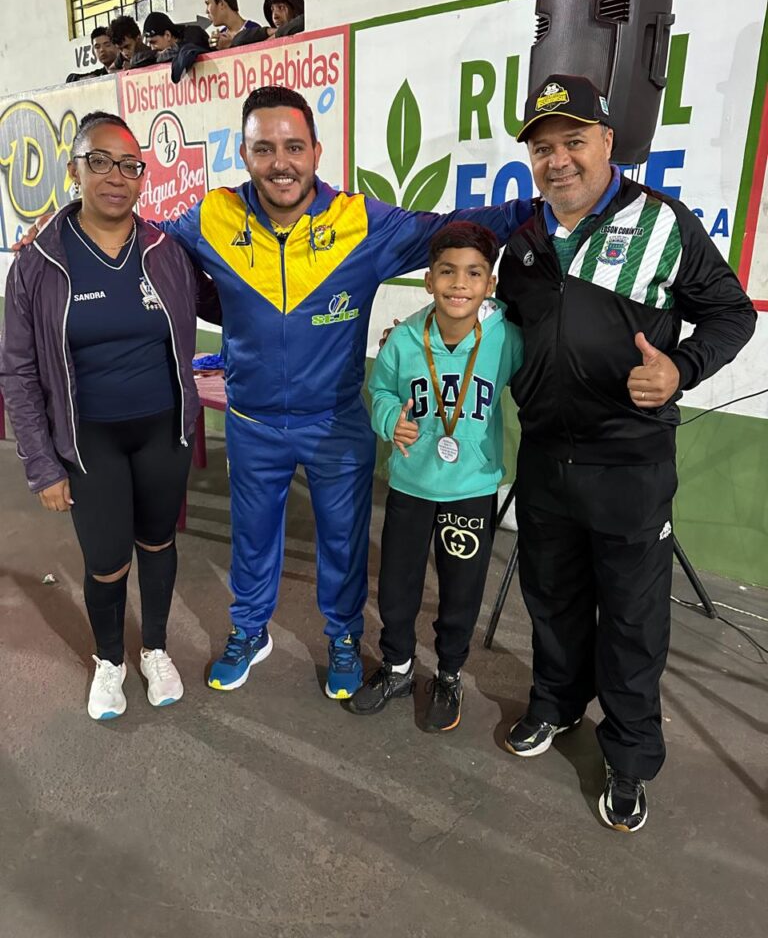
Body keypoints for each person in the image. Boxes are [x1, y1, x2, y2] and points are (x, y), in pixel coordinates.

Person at [145, 85, 531, 699]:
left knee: (345, 542)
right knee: (252, 539)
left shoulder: (358, 221)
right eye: (264, 148)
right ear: (243, 155)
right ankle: (250, 631)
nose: (281, 162)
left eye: (294, 146)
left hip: (335, 422)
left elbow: (453, 229)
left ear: (316, 151)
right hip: (252, 421)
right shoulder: (212, 217)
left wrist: (544, 210)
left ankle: (345, 637)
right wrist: (61, 234)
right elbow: (141, 242)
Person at [496, 74, 756, 831]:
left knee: (635, 621)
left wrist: (682, 368)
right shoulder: (525, 242)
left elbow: (730, 313)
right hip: (545, 459)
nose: (558, 161)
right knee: (553, 598)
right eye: (543, 149)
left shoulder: (663, 224)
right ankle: (555, 705)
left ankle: (631, 756)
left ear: (608, 142)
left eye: (573, 142)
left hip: (630, 464)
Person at [0, 112, 220, 721]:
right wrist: (42, 465)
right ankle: (109, 661)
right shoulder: (39, 263)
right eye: (100, 161)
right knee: (106, 559)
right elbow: (16, 372)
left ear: (142, 177)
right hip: (87, 436)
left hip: (163, 430)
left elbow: (230, 298)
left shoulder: (166, 251)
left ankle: (153, 649)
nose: (116, 177)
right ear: (75, 169)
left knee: (157, 542)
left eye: (129, 165)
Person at [347, 222, 523, 731]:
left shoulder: (504, 339)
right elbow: (379, 391)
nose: (459, 284)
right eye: (447, 272)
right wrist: (387, 419)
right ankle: (398, 666)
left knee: (461, 587)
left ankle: (448, 673)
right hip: (410, 484)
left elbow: (538, 376)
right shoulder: (403, 340)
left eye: (473, 273)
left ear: (490, 284)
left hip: (472, 488)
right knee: (398, 583)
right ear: (428, 280)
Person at [201, 0, 265, 50]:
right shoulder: (220, 38)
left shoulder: (254, 29)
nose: (206, 11)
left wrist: (231, 44)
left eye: (208, 3)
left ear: (221, 3)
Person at [142, 13, 209, 62]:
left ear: (167, 35)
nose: (152, 48)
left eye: (153, 42)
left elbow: (186, 52)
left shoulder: (193, 34)